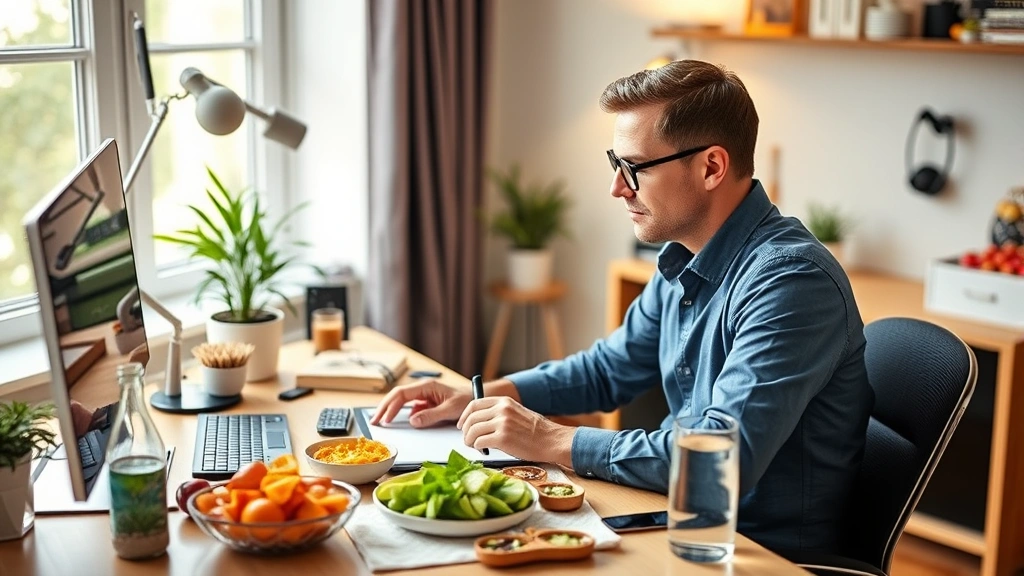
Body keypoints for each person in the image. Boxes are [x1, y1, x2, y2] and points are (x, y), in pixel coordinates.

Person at [373, 60, 873, 554]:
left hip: (751, 552)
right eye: (616, 164)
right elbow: (608, 369)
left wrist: (548, 439)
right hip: (675, 517)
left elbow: (718, 462)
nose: (617, 187)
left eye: (633, 168)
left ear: (711, 167)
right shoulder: (683, 256)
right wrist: (482, 396)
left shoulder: (791, 281)